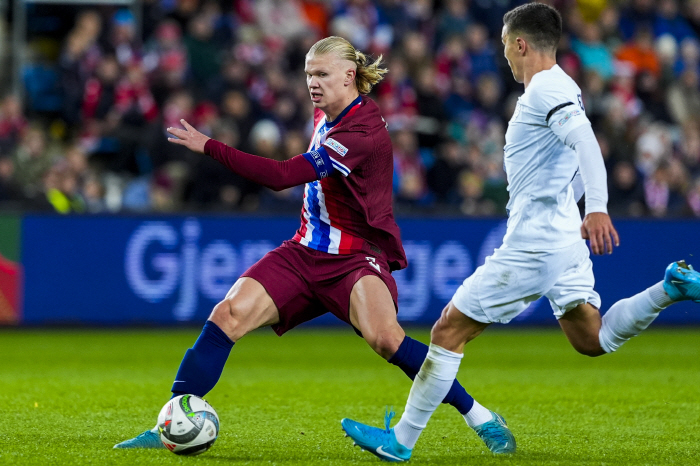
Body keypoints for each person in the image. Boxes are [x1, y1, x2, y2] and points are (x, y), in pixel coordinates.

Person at [114, 36, 514, 452]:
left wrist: (209, 146)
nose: (313, 83)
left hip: (356, 258)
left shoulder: (361, 129)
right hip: (304, 253)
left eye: (321, 74)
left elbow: (281, 177)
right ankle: (171, 421)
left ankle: (481, 417)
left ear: (349, 76)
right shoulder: (327, 114)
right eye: (308, 75)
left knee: (385, 339)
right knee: (227, 313)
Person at [341, 4, 700, 462]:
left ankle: (402, 442)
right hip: (562, 235)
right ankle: (670, 288)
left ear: (520, 44)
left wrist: (599, 208)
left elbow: (586, 144)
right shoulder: (563, 85)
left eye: (506, 44)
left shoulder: (545, 90)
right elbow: (568, 158)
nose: (504, 54)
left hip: (538, 240)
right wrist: (577, 211)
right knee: (592, 339)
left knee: (447, 330)